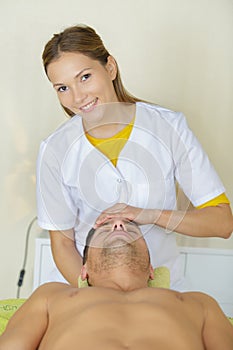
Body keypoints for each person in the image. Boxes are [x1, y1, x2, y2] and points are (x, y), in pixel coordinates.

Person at [36, 24, 233, 289]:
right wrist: (94, 296)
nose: (78, 97)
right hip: (84, 290)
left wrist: (149, 214)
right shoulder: (55, 149)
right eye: (62, 88)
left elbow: (221, 223)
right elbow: (62, 243)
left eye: (84, 77)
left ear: (110, 67)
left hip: (162, 289)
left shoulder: (169, 127)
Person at [0, 218, 232, 349]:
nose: (119, 225)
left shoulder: (200, 304)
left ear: (152, 270)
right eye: (104, 229)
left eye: (131, 228)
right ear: (85, 270)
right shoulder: (51, 296)